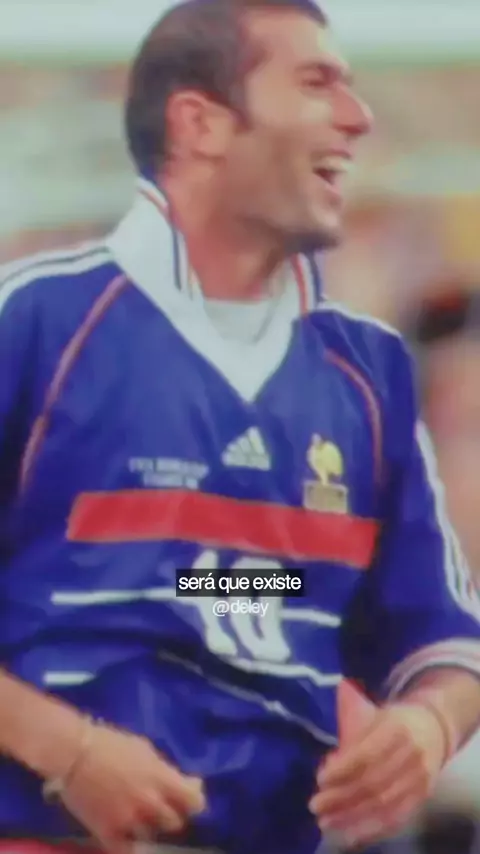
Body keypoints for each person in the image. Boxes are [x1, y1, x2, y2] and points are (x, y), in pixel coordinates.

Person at [1, 1, 480, 853]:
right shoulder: (36, 322)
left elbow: (441, 637)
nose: (357, 116)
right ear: (201, 124)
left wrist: (427, 727)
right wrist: (67, 751)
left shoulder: (369, 369)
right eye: (316, 83)